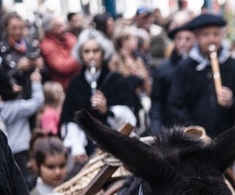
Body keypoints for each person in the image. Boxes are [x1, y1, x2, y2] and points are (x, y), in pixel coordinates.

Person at [166, 13, 235, 138]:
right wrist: (195, 132)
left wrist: (232, 102)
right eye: (205, 35)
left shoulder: (234, 65)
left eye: (216, 34)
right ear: (196, 38)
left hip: (229, 137)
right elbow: (176, 106)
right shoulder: (185, 68)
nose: (212, 39)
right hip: (195, 141)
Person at [60, 29, 139, 166]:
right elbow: (68, 118)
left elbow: (130, 118)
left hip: (114, 145)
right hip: (86, 148)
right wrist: (76, 146)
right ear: (81, 55)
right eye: (87, 52)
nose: (91, 56)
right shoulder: (75, 83)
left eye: (96, 51)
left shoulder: (117, 80)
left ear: (103, 54)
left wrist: (107, 110)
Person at [149, 12, 194, 134]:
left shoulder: (198, 67)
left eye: (187, 39)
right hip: (170, 127)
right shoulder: (163, 68)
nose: (183, 43)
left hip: (193, 125)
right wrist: (156, 128)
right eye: (179, 38)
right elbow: (156, 102)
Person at [0, 67, 43, 186]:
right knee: (26, 181)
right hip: (21, 149)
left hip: (7, 149)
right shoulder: (19, 107)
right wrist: (36, 83)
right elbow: (38, 101)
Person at [39, 15, 80, 89]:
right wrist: (80, 55)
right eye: (58, 27)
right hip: (65, 87)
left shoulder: (70, 37)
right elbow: (63, 67)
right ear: (49, 31)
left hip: (80, 80)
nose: (64, 28)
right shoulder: (46, 45)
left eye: (63, 25)